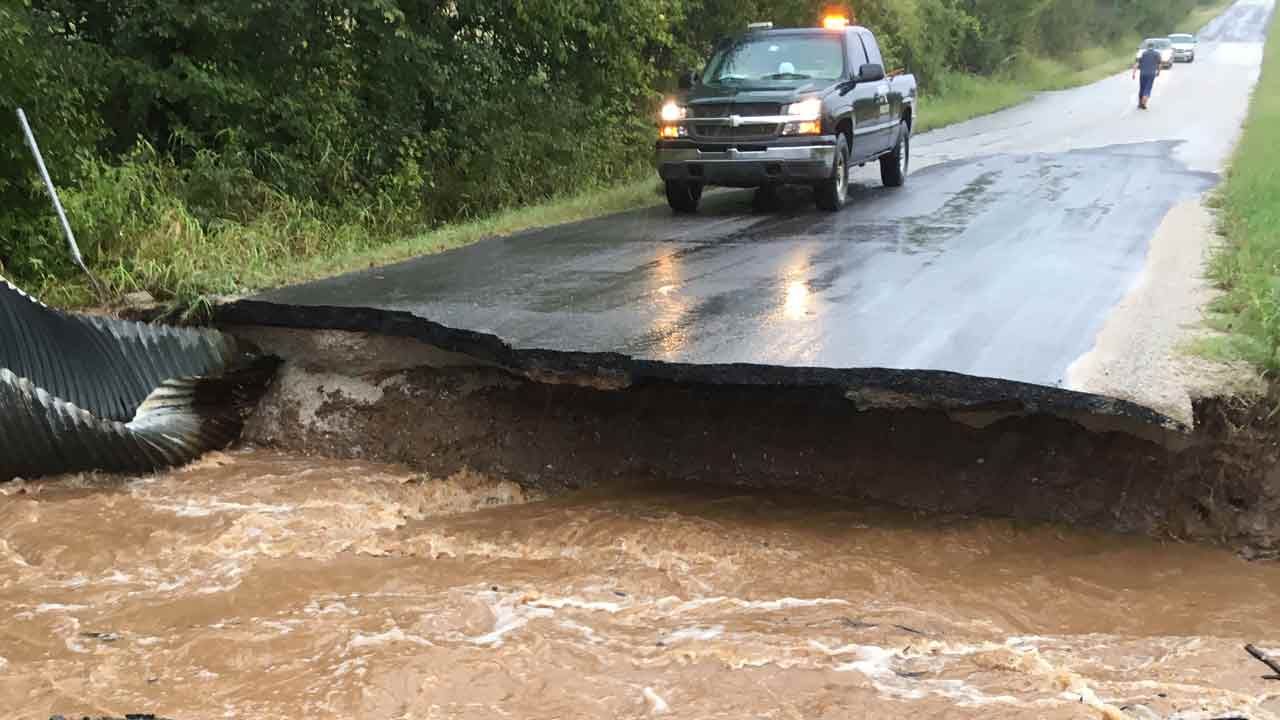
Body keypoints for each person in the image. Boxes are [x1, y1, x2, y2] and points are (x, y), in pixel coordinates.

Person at [1132, 41, 1162, 109]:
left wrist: (1133, 73)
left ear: (1147, 47)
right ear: (1153, 47)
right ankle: (1144, 103)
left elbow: (1137, 64)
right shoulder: (1157, 54)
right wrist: (1158, 72)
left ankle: (1140, 103)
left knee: (1142, 88)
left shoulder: (1143, 53)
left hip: (1143, 74)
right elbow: (1160, 64)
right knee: (1148, 88)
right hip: (1151, 74)